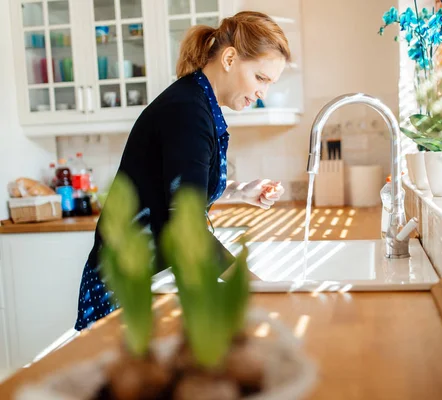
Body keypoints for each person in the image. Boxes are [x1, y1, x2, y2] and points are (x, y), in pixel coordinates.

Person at [75, 11, 290, 330]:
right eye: (261, 78)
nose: (263, 94)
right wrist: (254, 286)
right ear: (230, 58)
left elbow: (174, 189)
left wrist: (238, 190)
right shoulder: (188, 112)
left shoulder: (196, 101)